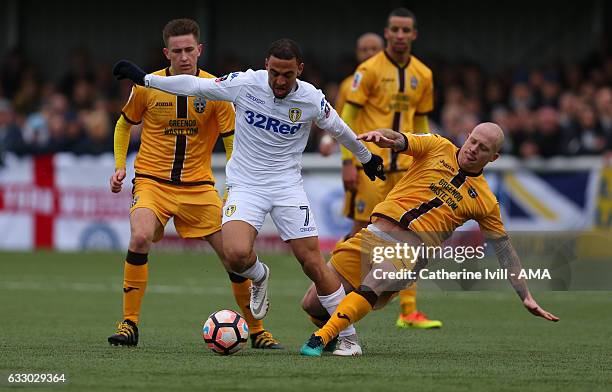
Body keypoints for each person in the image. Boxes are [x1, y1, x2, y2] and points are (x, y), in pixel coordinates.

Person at [112, 38, 386, 353]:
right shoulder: (245, 83)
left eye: (288, 75)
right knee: (236, 254)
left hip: (287, 187)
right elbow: (194, 86)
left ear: (300, 70)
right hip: (247, 186)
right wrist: (145, 79)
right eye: (274, 73)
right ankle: (259, 275)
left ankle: (348, 336)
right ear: (265, 66)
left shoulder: (311, 98)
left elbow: (339, 129)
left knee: (312, 263)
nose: (280, 81)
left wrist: (367, 158)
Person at [299, 123, 560, 356]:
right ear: (467, 136)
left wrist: (525, 295)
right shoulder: (438, 146)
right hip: (373, 234)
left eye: (483, 148)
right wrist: (384, 137)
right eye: (473, 142)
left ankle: (321, 339)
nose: (473, 149)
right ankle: (345, 337)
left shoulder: (486, 201)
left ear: (493, 157)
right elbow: (401, 139)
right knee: (311, 305)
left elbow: (504, 249)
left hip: (411, 250)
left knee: (376, 278)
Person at [107, 18, 282, 349]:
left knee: (236, 255)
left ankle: (258, 331)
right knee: (141, 235)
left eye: (189, 50)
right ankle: (129, 324)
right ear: (166, 53)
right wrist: (119, 166)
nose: (184, 56)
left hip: (199, 188)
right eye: (177, 51)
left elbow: (233, 142)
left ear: (199, 50)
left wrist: (236, 186)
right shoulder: (147, 86)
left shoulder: (217, 90)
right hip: (152, 183)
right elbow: (122, 124)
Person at [339, 8, 441, 330]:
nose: (399, 35)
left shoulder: (423, 74)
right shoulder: (368, 70)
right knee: (362, 234)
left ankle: (408, 311)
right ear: (387, 32)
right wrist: (348, 161)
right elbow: (348, 119)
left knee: (409, 236)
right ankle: (336, 297)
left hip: (407, 169)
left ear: (414, 35)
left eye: (405, 30)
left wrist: (426, 155)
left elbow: (421, 122)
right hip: (373, 167)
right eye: (394, 30)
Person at [318, 33, 384, 156]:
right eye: (364, 50)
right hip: (360, 153)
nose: (369, 53)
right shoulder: (348, 85)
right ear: (357, 53)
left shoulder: (397, 82)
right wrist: (326, 140)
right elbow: (335, 120)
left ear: (384, 52)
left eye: (374, 49)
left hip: (393, 153)